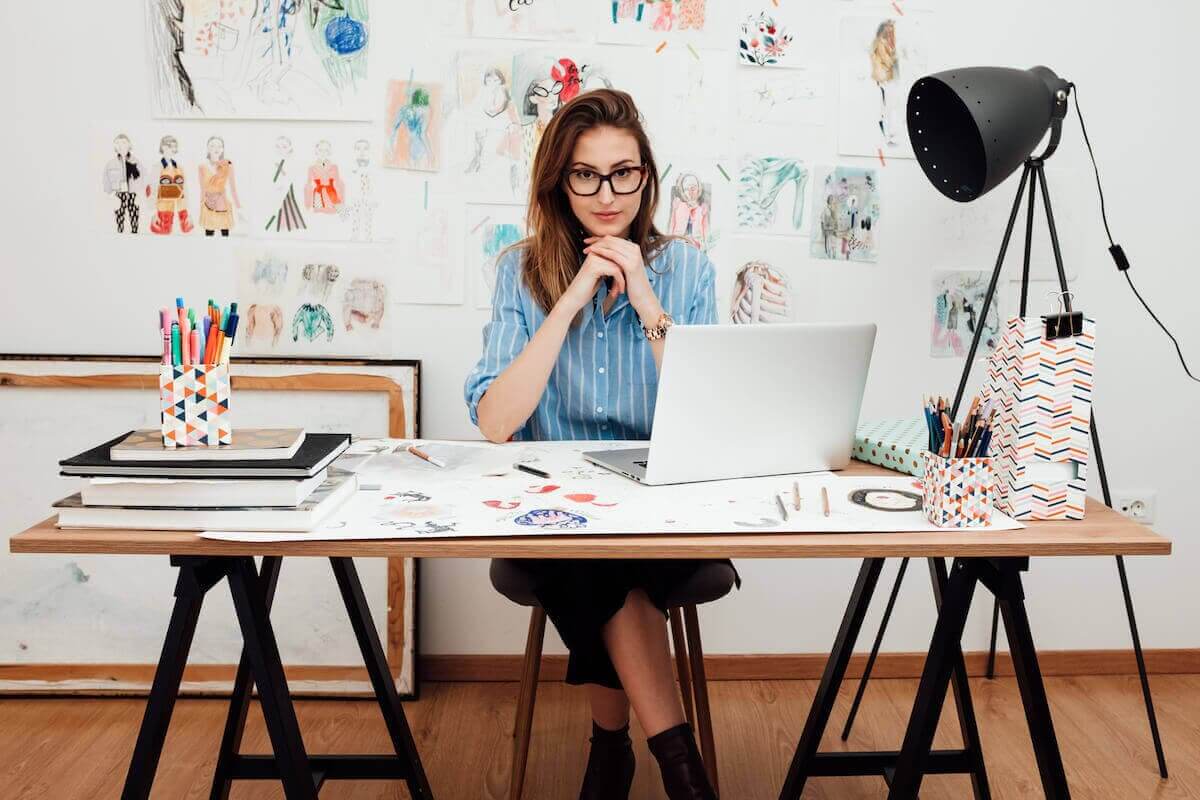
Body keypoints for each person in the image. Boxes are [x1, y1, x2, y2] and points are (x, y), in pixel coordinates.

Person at [464, 89, 730, 800]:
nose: (607, 194)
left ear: (648, 176)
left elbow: (710, 418)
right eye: (586, 174)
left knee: (618, 567)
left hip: (667, 510)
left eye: (624, 173)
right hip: (559, 518)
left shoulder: (690, 272)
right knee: (604, 567)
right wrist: (572, 298)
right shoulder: (520, 273)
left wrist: (645, 299)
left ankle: (612, 750)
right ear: (560, 180)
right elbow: (495, 422)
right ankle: (683, 772)